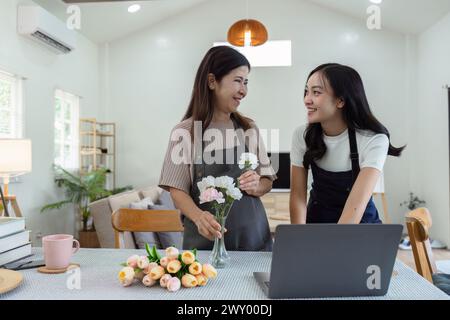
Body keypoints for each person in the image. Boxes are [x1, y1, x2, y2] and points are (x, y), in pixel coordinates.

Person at [159, 46, 276, 251]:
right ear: (212, 81)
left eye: (246, 82)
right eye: (238, 80)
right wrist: (198, 217)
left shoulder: (249, 129)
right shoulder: (185, 132)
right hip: (206, 246)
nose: (244, 90)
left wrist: (257, 185)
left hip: (255, 241)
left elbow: (267, 180)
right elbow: (177, 191)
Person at [290, 63, 405, 224]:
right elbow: (298, 197)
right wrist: (299, 238)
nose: (307, 100)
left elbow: (355, 207)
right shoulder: (302, 136)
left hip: (360, 227)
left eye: (316, 92)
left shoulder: (374, 139)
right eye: (306, 92)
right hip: (317, 223)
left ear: (340, 100)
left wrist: (337, 246)